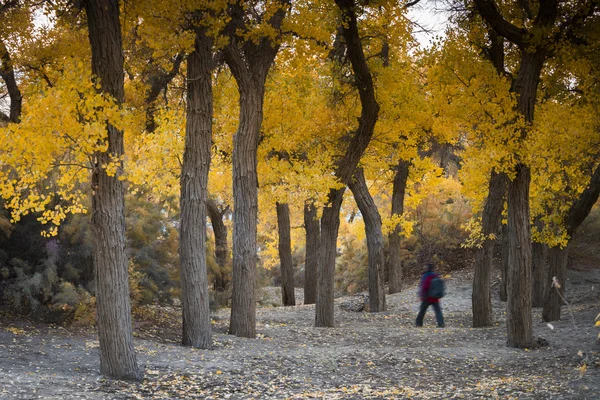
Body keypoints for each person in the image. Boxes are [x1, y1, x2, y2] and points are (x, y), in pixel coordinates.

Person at [415, 263, 445, 327]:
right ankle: (441, 323)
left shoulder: (425, 276)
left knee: (422, 311)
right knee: (438, 311)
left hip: (427, 297)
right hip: (435, 297)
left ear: (427, 268)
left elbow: (424, 287)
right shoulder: (435, 275)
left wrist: (421, 295)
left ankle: (418, 323)